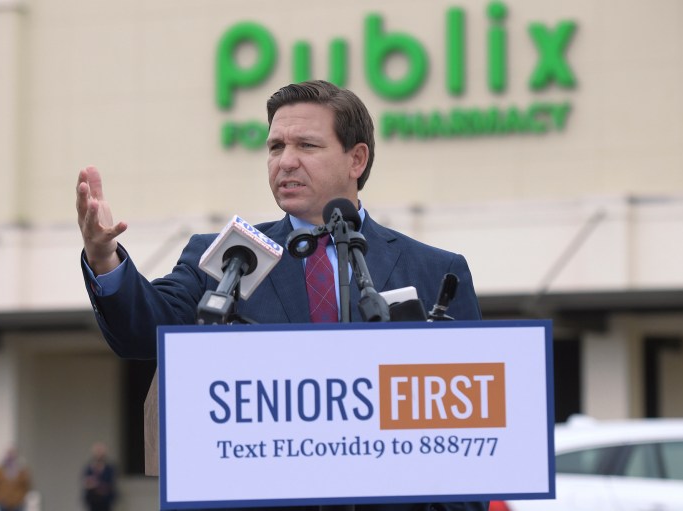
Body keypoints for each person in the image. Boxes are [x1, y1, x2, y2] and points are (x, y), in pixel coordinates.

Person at [77, 80, 486, 511]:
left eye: (306, 146)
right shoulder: (227, 256)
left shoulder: (434, 270)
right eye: (275, 148)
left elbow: (465, 443)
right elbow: (143, 329)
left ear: (356, 158)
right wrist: (104, 258)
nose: (285, 162)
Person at [82, 442, 117, 511]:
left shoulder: (109, 468)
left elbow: (110, 484)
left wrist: (96, 484)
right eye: (97, 451)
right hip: (92, 500)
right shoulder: (89, 468)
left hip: (106, 501)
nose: (99, 454)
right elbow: (86, 482)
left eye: (100, 451)